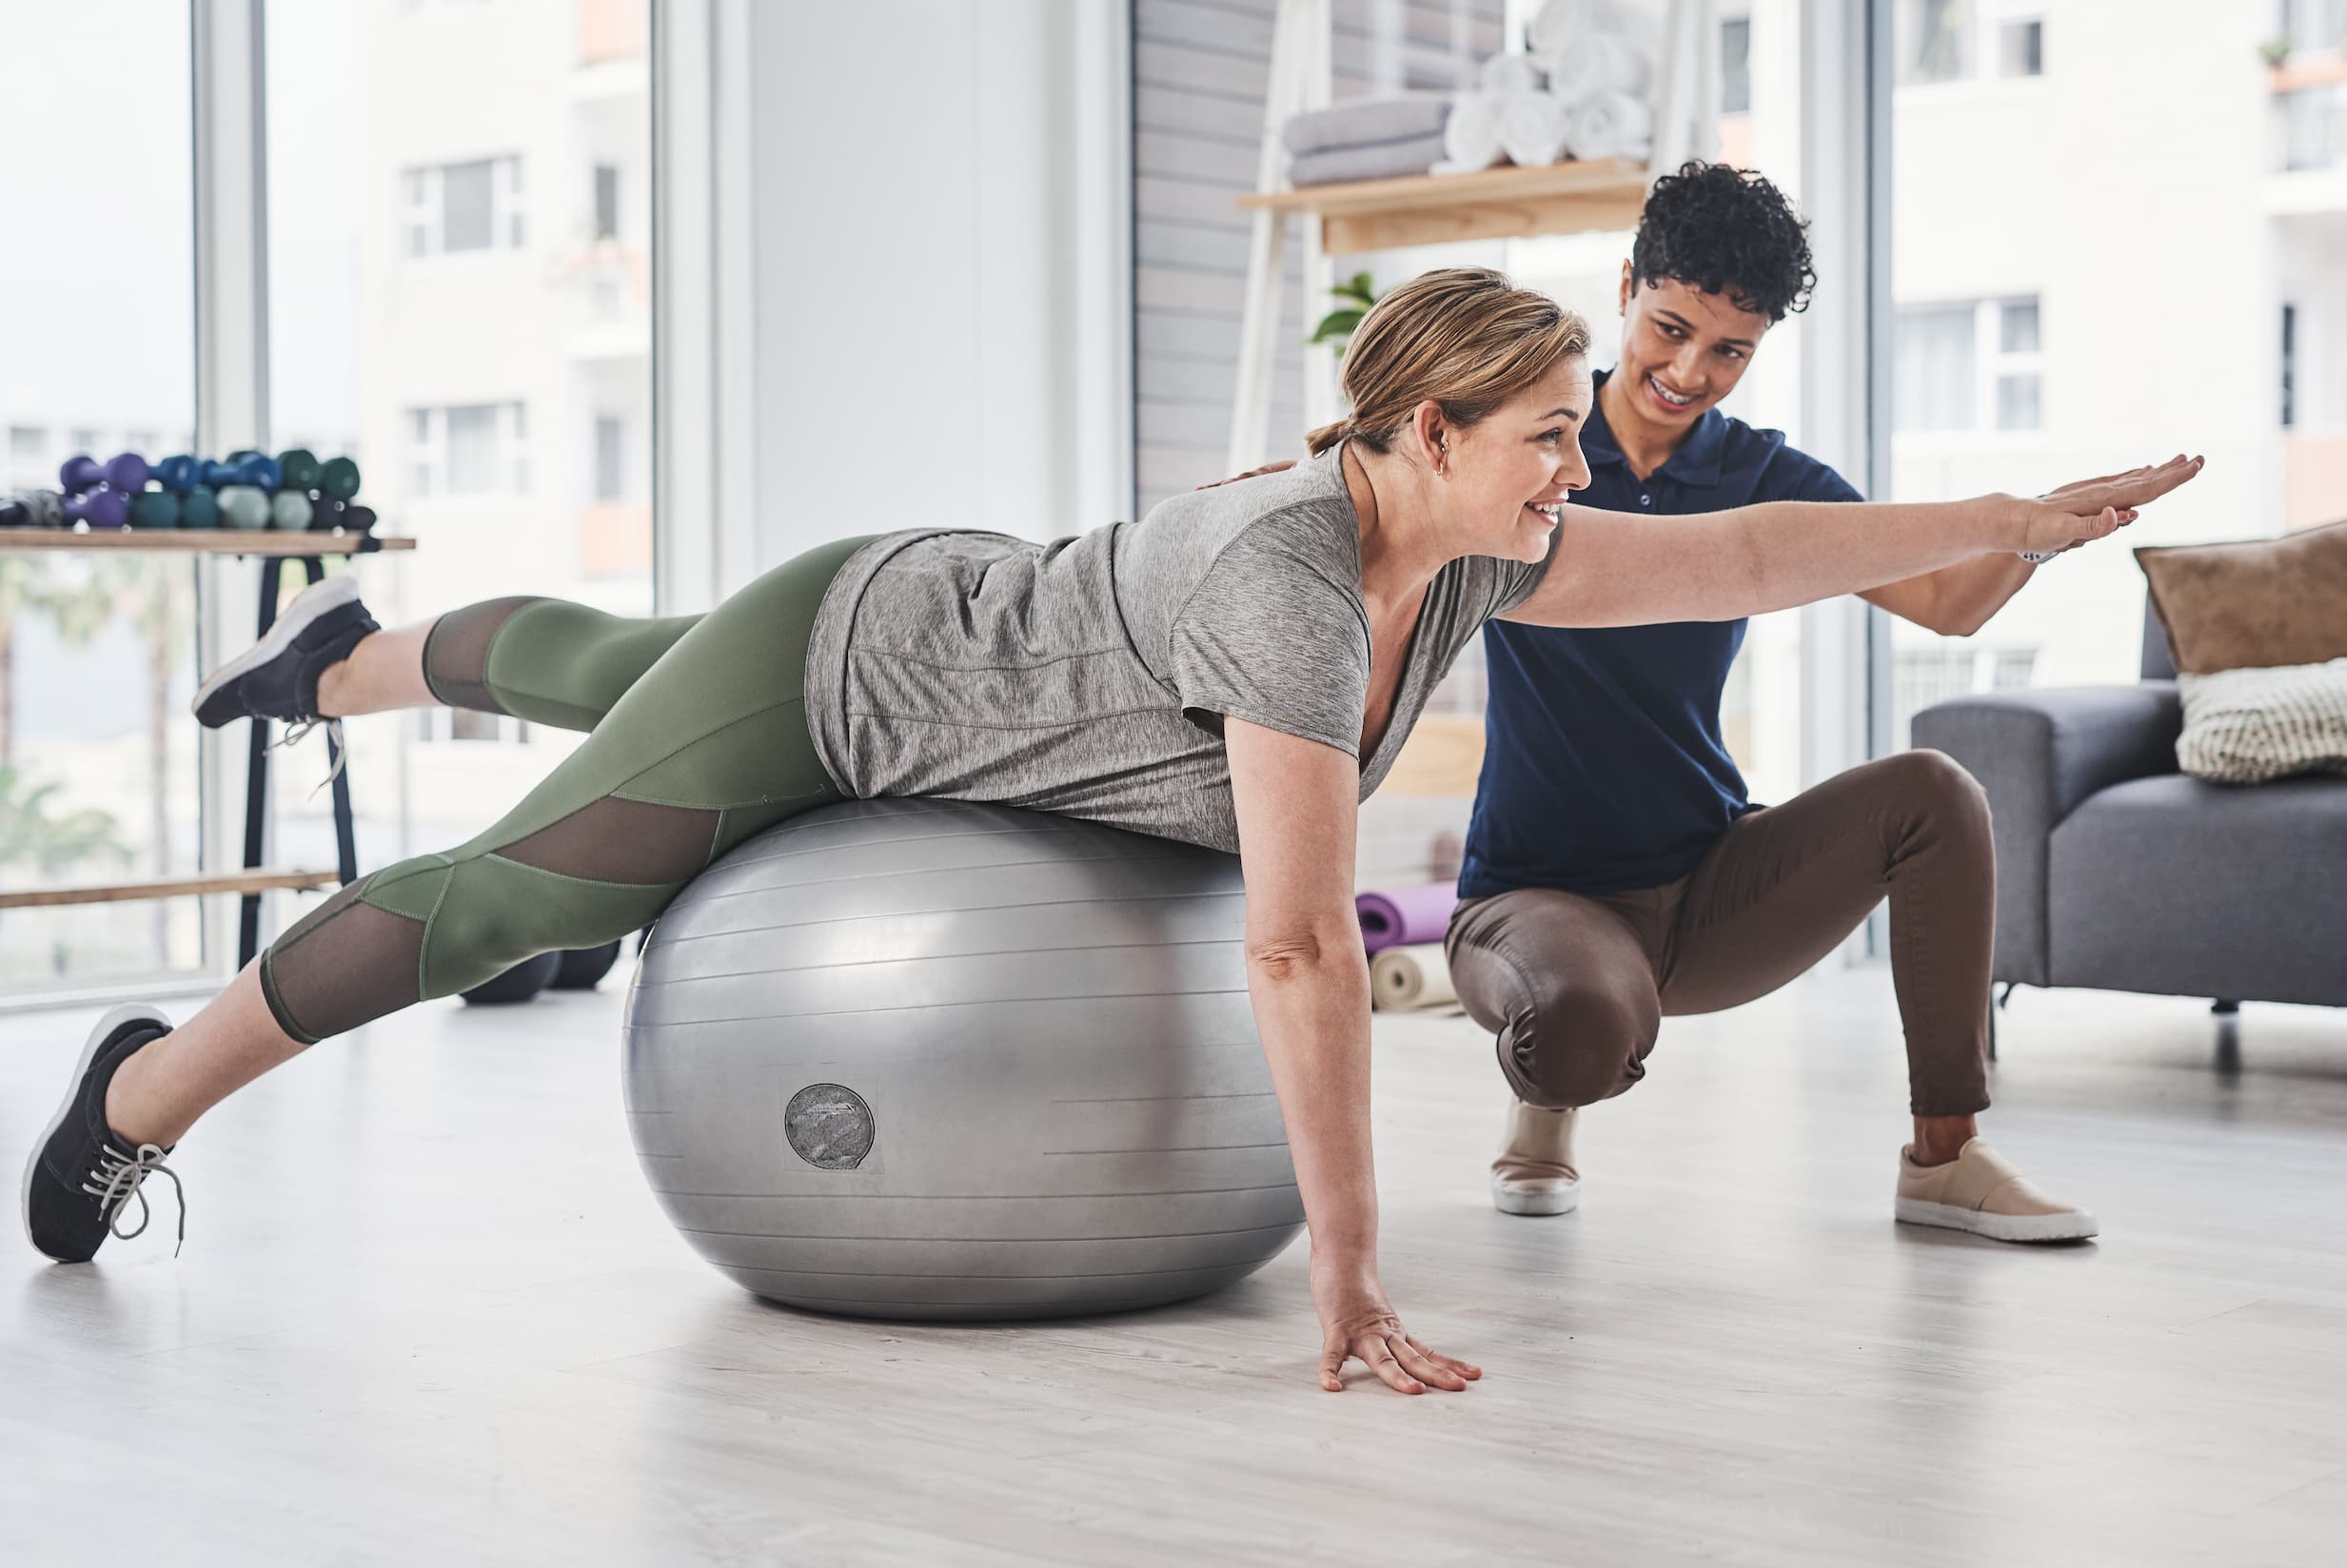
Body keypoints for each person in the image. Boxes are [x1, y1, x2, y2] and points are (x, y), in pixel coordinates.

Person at [21, 266, 2197, 1398]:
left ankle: (338, 651)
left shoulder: (1468, 543)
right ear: (1428, 434)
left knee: (605, 656)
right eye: (1547, 443)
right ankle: (142, 1088)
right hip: (855, 669)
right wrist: (1348, 1272)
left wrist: (2006, 522)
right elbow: (1284, 947)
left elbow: (1733, 565)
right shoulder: (1284, 587)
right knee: (517, 892)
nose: (1578, 480)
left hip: (962, 614)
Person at [1450, 163, 2107, 1240]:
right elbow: (1383, 508)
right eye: (1669, 328)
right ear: (1625, 287)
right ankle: (1546, 1099)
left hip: (1709, 883)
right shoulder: (1533, 445)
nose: (1687, 370)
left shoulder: (1762, 474)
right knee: (1576, 1025)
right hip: (1538, 895)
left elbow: (1948, 603)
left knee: (1933, 794)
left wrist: (2037, 534)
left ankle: (1946, 1157)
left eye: (1729, 351)